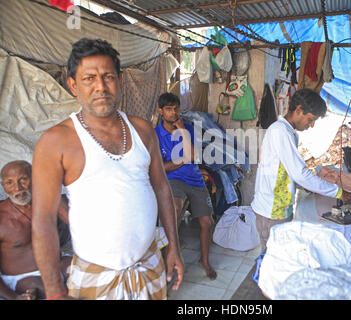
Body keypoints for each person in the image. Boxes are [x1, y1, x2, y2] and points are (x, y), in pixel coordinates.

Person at [31, 38, 184, 300]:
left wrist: (173, 247)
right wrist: (55, 292)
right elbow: (43, 220)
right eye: (89, 78)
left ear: (120, 80)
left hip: (148, 265)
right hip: (94, 275)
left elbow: (161, 188)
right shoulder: (55, 141)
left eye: (108, 77)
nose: (100, 87)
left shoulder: (142, 130)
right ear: (73, 85)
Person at [251, 88, 351, 253]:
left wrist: (302, 185)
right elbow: (299, 173)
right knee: (274, 259)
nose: (311, 125)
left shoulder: (289, 133)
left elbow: (286, 169)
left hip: (278, 207)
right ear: (298, 110)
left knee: (278, 257)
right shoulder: (280, 132)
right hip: (272, 211)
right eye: (310, 119)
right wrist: (338, 192)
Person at [155, 92, 217, 280]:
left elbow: (194, 156)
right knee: (174, 209)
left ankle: (204, 261)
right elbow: (160, 168)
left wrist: (182, 130)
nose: (173, 113)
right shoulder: (155, 134)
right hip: (173, 180)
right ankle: (168, 260)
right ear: (160, 111)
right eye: (169, 109)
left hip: (195, 179)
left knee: (207, 222)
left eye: (176, 108)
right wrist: (182, 160)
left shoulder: (188, 128)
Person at [0, 160, 71, 300]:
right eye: (9, 183)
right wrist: (14, 297)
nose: (18, 188)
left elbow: (75, 224)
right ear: (3, 186)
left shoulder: (47, 201)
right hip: (23, 277)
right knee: (50, 290)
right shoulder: (2, 218)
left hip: (57, 266)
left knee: (92, 270)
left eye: (23, 180)